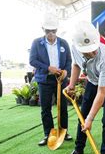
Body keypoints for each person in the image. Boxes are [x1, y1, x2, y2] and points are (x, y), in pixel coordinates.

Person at [64, 21, 105, 154]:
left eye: (94, 48)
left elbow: (101, 93)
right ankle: (79, 148)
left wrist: (90, 119)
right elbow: (76, 64)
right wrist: (71, 85)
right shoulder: (75, 48)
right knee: (82, 116)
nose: (93, 52)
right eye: (88, 50)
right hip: (92, 81)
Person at [29, 12, 72, 146]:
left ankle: (63, 131)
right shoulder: (37, 43)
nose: (51, 34)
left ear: (56, 30)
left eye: (53, 31)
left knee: (63, 107)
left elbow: (69, 61)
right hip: (45, 80)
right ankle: (48, 133)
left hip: (61, 80)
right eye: (48, 31)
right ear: (43, 30)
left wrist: (66, 71)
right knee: (46, 108)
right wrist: (48, 68)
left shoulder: (64, 42)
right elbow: (32, 60)